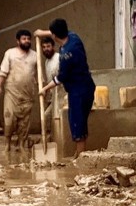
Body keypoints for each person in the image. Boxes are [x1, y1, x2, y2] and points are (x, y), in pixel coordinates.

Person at [35, 18, 95, 155]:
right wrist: (41, 33)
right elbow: (58, 33)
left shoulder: (67, 55)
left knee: (77, 122)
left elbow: (60, 78)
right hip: (87, 87)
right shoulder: (74, 38)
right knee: (80, 121)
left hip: (78, 91)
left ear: (55, 36)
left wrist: (44, 89)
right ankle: (79, 152)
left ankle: (80, 155)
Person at [0, 29, 39, 158]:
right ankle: (7, 144)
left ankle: (21, 145)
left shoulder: (34, 55)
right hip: (12, 93)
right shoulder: (10, 53)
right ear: (18, 41)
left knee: (24, 122)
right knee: (9, 119)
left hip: (28, 94)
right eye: (24, 38)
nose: (26, 41)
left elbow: (38, 73)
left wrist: (42, 87)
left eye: (28, 38)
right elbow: (2, 72)